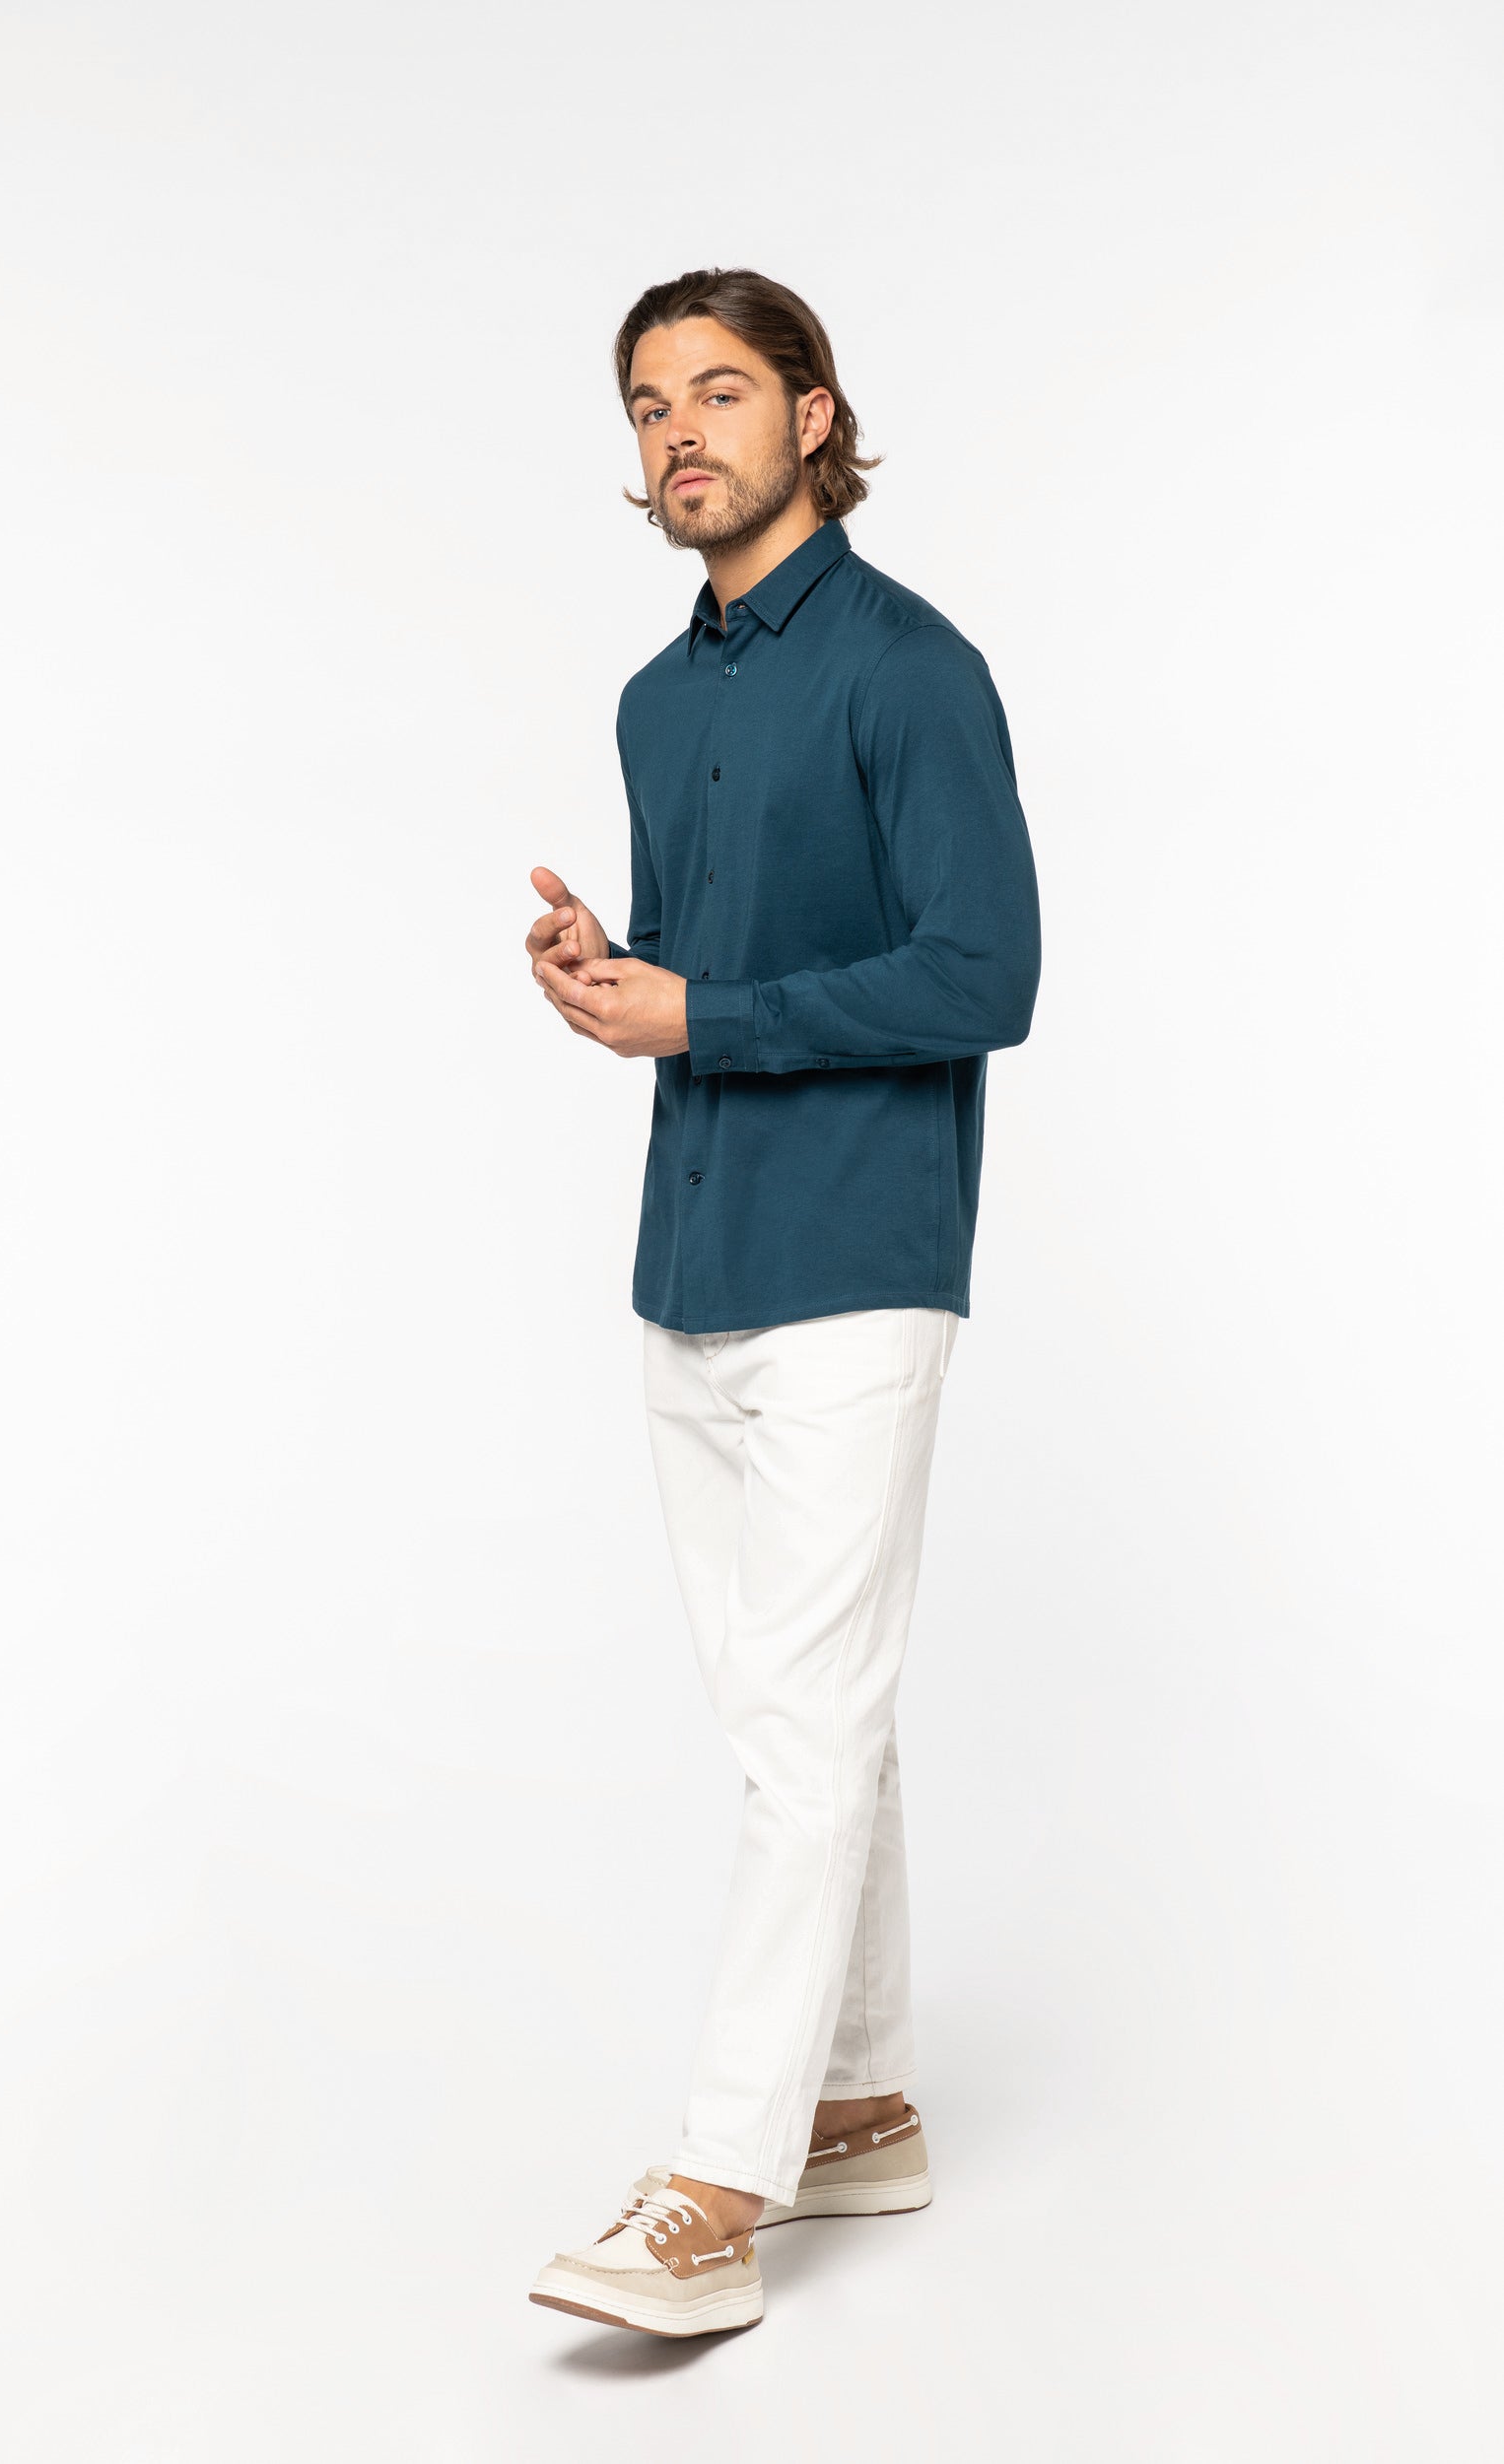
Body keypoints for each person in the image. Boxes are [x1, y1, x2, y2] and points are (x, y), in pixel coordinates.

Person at [522, 266, 1042, 2338]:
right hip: (694, 1260)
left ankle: (716, 2187)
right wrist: (612, 980)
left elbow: (981, 973)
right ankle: (861, 2100)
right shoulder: (655, 704)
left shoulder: (913, 670)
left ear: (813, 415)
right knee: (797, 1720)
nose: (679, 435)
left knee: (801, 1733)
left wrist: (705, 1014)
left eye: (719, 392)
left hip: (852, 1266)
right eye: (648, 405)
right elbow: (699, 975)